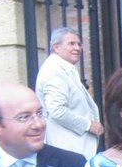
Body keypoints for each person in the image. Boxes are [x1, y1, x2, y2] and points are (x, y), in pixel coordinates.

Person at [35, 27, 104, 156]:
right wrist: (88, 125)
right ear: (56, 47)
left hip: (74, 146)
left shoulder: (64, 68)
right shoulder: (54, 71)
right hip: (67, 148)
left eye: (79, 44)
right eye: (71, 44)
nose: (77, 48)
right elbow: (57, 111)